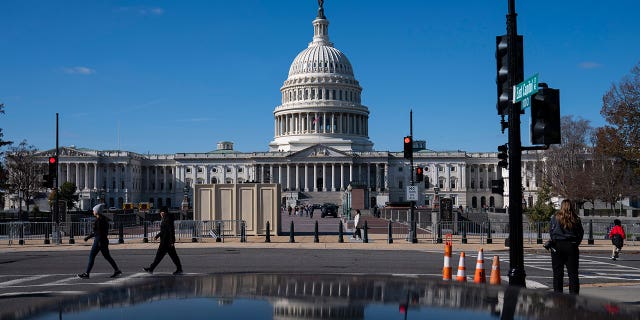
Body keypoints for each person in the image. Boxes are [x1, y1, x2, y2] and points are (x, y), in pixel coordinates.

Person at [549, 199, 584, 294]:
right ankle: (573, 297)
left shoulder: (555, 217)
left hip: (558, 245)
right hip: (571, 245)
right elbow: (580, 233)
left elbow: (551, 231)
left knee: (557, 274)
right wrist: (576, 243)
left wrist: (554, 240)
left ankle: (558, 296)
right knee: (573, 274)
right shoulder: (575, 218)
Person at [77, 204, 122, 279]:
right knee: (107, 256)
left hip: (99, 241)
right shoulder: (104, 219)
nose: (93, 212)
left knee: (92, 256)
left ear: (97, 211)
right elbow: (100, 232)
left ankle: (87, 273)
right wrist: (89, 237)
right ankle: (117, 270)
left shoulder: (99, 221)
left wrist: (88, 237)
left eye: (94, 210)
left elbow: (97, 232)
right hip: (104, 240)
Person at [144, 206, 183, 275]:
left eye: (161, 212)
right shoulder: (165, 218)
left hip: (166, 242)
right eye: (160, 213)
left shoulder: (167, 219)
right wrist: (157, 236)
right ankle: (179, 269)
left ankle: (151, 269)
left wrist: (172, 241)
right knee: (172, 256)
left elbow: (171, 231)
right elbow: (164, 231)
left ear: (164, 212)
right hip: (166, 241)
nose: (160, 214)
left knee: (161, 256)